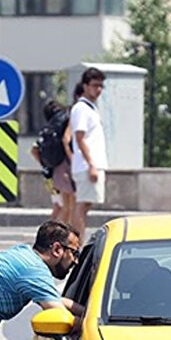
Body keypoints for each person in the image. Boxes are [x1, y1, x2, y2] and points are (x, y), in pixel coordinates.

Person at [70, 68, 108, 240]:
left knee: (86, 205)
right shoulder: (81, 108)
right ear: (85, 86)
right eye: (94, 85)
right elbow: (79, 138)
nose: (98, 89)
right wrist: (91, 164)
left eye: (101, 86)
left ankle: (77, 241)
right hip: (87, 165)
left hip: (92, 164)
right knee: (82, 205)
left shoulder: (91, 108)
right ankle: (76, 244)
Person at [31, 100, 73, 224]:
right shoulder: (60, 128)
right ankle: (54, 231)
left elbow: (34, 150)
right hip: (60, 172)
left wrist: (44, 163)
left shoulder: (47, 130)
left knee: (57, 205)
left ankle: (52, 229)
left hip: (48, 174)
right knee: (64, 206)